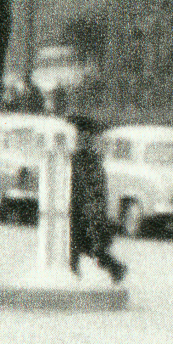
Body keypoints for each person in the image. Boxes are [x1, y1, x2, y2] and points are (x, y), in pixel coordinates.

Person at [65, 118, 125, 284]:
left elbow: (96, 190)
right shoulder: (78, 158)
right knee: (80, 247)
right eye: (79, 136)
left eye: (83, 136)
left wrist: (94, 212)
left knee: (84, 247)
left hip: (86, 212)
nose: (80, 139)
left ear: (88, 138)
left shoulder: (91, 161)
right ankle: (115, 269)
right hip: (76, 210)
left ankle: (115, 269)